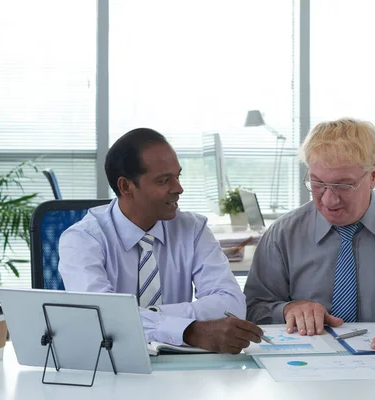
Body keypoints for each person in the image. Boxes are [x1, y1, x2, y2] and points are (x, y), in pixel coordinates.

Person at [244, 118, 375, 356]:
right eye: (318, 183)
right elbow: (252, 308)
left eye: (343, 186)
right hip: (307, 367)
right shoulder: (283, 234)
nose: (329, 200)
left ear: (373, 176)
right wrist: (288, 309)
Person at [59, 128, 263, 354]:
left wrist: (149, 318)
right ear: (126, 187)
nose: (178, 189)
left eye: (178, 176)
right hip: (109, 363)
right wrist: (189, 331)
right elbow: (100, 317)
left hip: (181, 366)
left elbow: (231, 304)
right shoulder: (82, 239)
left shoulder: (192, 229)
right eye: (164, 180)